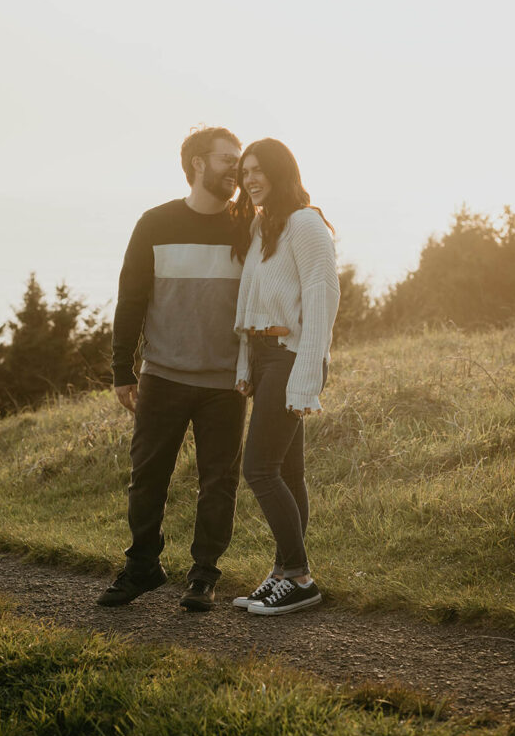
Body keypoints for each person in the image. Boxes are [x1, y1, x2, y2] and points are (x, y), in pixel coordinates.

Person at [97, 126, 247, 612]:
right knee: (147, 478)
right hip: (162, 374)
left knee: (219, 481)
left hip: (226, 382)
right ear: (198, 163)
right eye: (228, 159)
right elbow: (131, 299)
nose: (237, 169)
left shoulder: (249, 227)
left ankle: (203, 574)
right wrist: (123, 370)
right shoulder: (154, 223)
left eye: (239, 160)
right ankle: (143, 565)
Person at [231, 138, 340, 615]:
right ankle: (283, 573)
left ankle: (298, 576)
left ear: (280, 170)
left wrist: (307, 372)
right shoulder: (262, 226)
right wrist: (245, 364)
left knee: (258, 468)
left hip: (291, 356)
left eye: (258, 170)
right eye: (244, 172)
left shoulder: (304, 223)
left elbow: (323, 296)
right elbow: (252, 302)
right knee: (287, 471)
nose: (250, 179)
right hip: (263, 355)